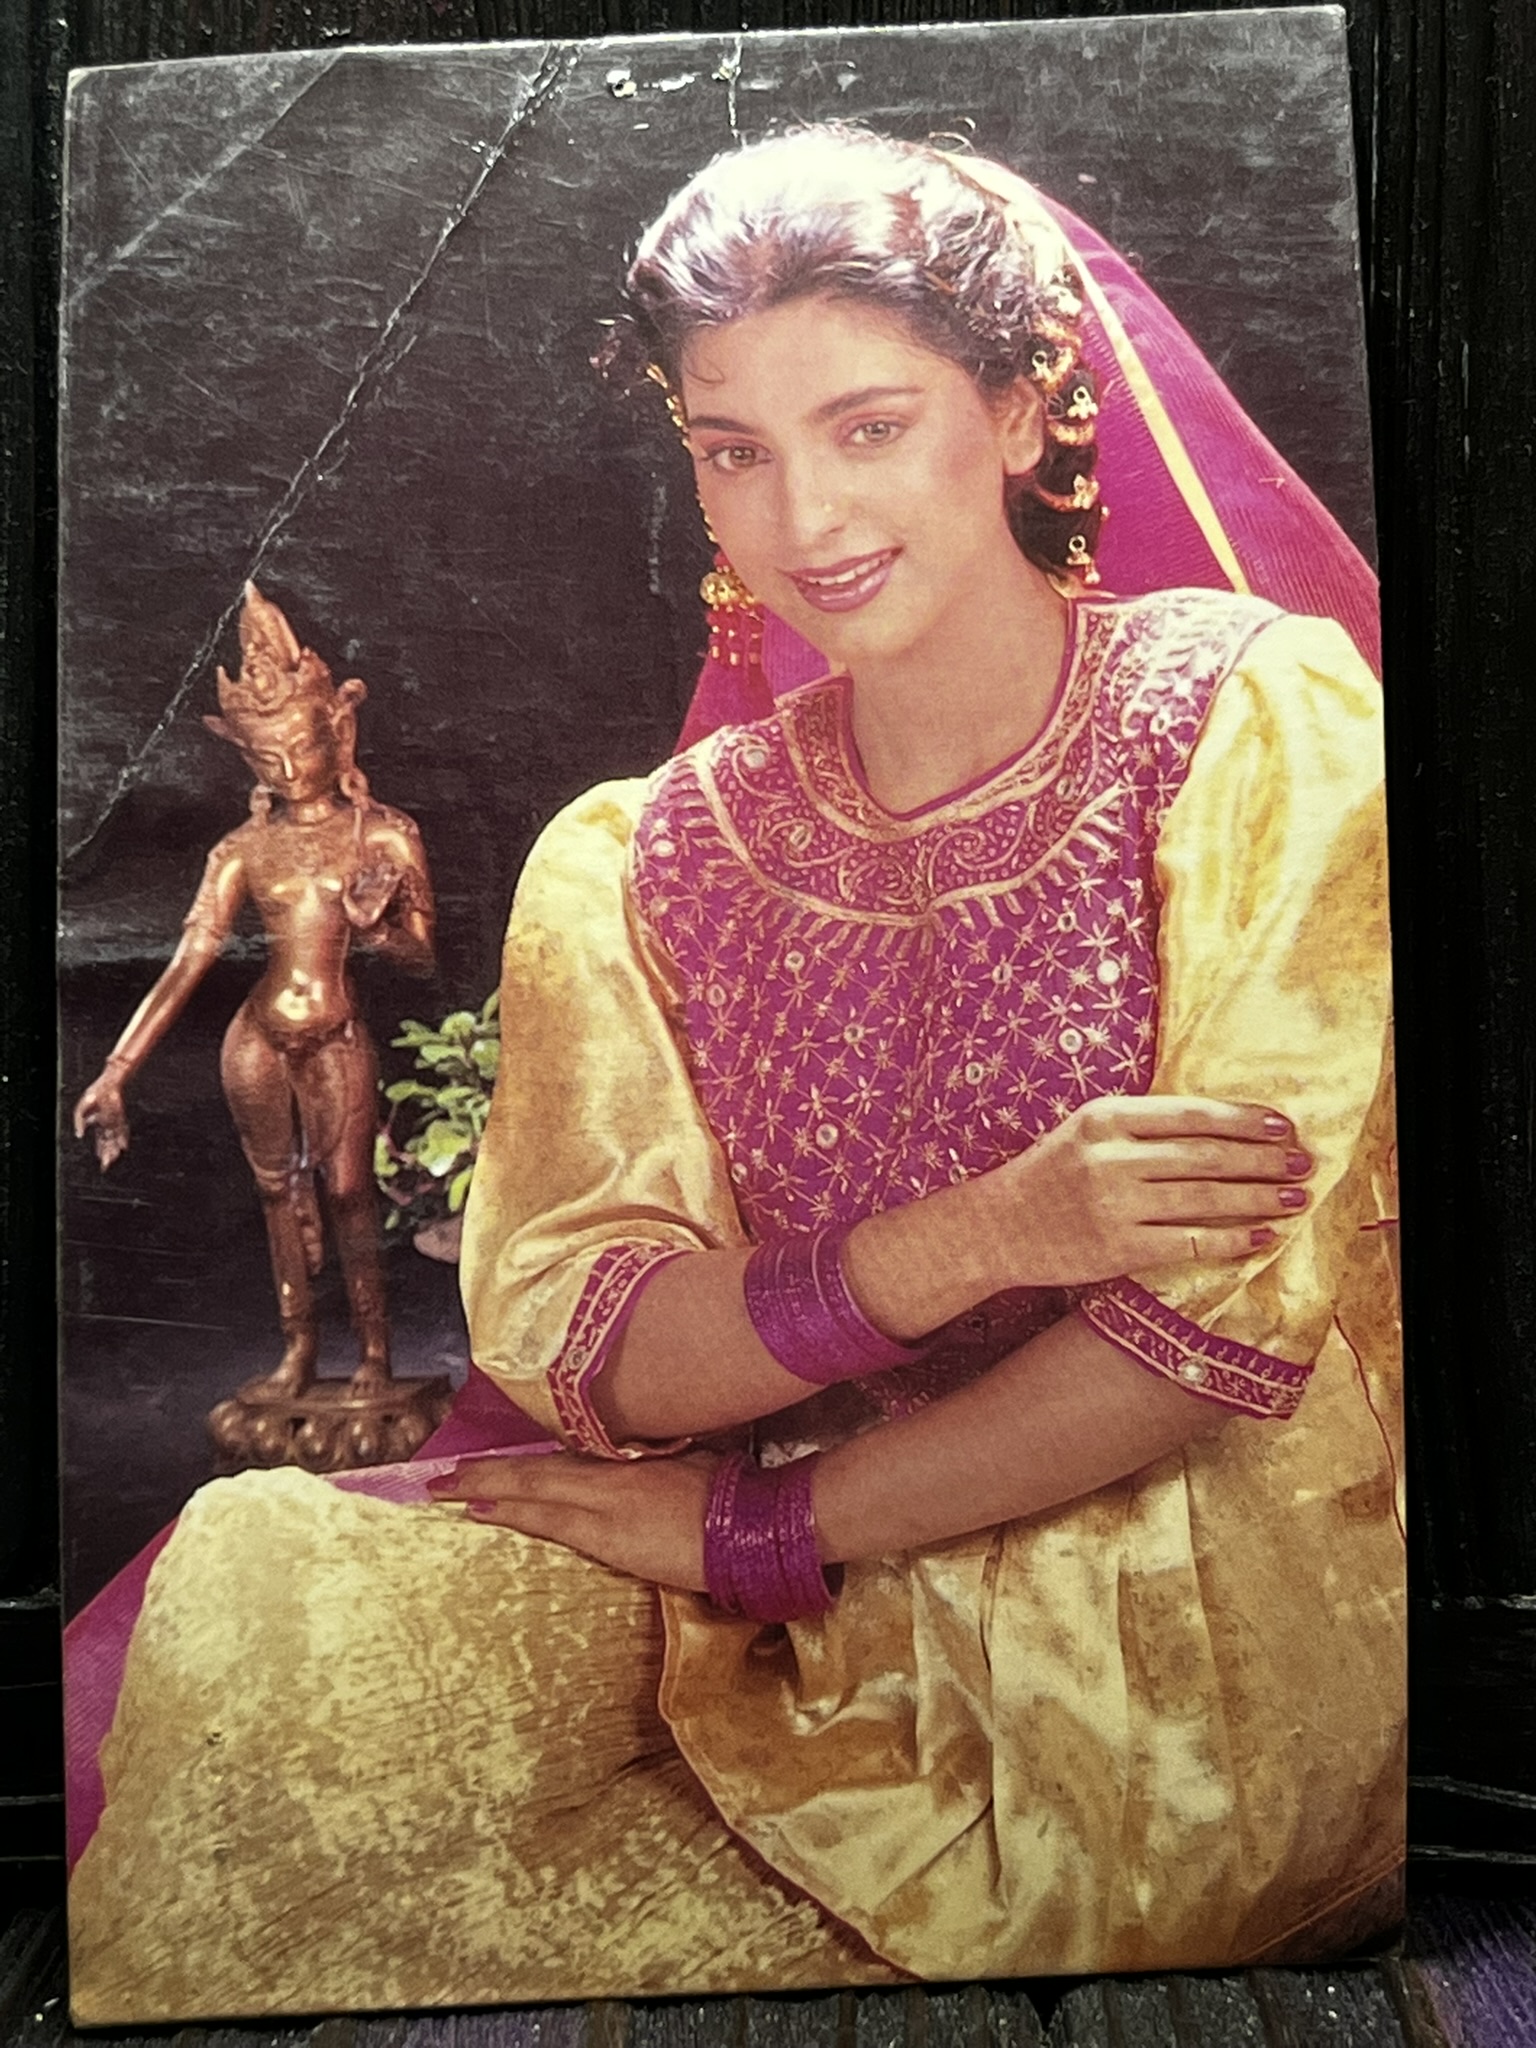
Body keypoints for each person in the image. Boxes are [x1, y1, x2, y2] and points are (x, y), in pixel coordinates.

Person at [65, 128, 1401, 2022]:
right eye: (734, 449)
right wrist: (980, 1237)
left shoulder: (1250, 717)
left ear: (1025, 409)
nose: (803, 515)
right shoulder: (651, 850)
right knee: (272, 1599)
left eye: (870, 427)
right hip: (788, 1579)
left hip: (1161, 1598)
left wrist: (754, 1528)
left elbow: (1206, 1339)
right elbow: (601, 1346)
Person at [72, 584, 437, 1415]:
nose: (288, 769)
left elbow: (423, 959)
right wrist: (117, 1071)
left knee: (348, 1192)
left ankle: (375, 1352)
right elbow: (190, 959)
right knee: (276, 1194)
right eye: (265, 758)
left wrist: (378, 928)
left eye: (301, 746)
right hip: (257, 1039)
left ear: (339, 732)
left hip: (336, 1032)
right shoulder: (242, 848)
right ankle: (299, 1350)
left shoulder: (384, 835)